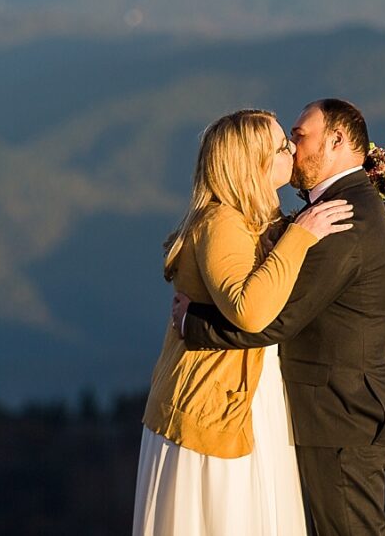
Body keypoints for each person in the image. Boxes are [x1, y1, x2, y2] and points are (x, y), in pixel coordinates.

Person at [177, 98, 385, 536]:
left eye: (300, 137)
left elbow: (273, 320)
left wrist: (194, 323)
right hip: (342, 411)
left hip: (342, 413)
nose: (291, 147)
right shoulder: (344, 202)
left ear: (336, 140)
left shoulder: (341, 220)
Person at [134, 108, 355, 536]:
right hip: (213, 409)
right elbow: (249, 310)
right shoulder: (222, 223)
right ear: (251, 166)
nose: (291, 149)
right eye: (280, 147)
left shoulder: (245, 220)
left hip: (242, 393)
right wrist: (300, 237)